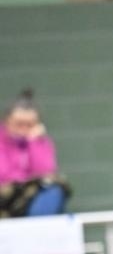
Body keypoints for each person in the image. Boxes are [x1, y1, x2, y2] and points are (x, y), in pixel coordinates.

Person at [0, 89, 70, 218]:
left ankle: (35, 234)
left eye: (30, 124)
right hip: (5, 197)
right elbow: (4, 175)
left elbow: (45, 173)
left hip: (30, 199)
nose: (24, 129)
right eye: (19, 124)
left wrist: (34, 142)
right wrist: (24, 181)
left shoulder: (41, 142)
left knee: (53, 191)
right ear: (7, 121)